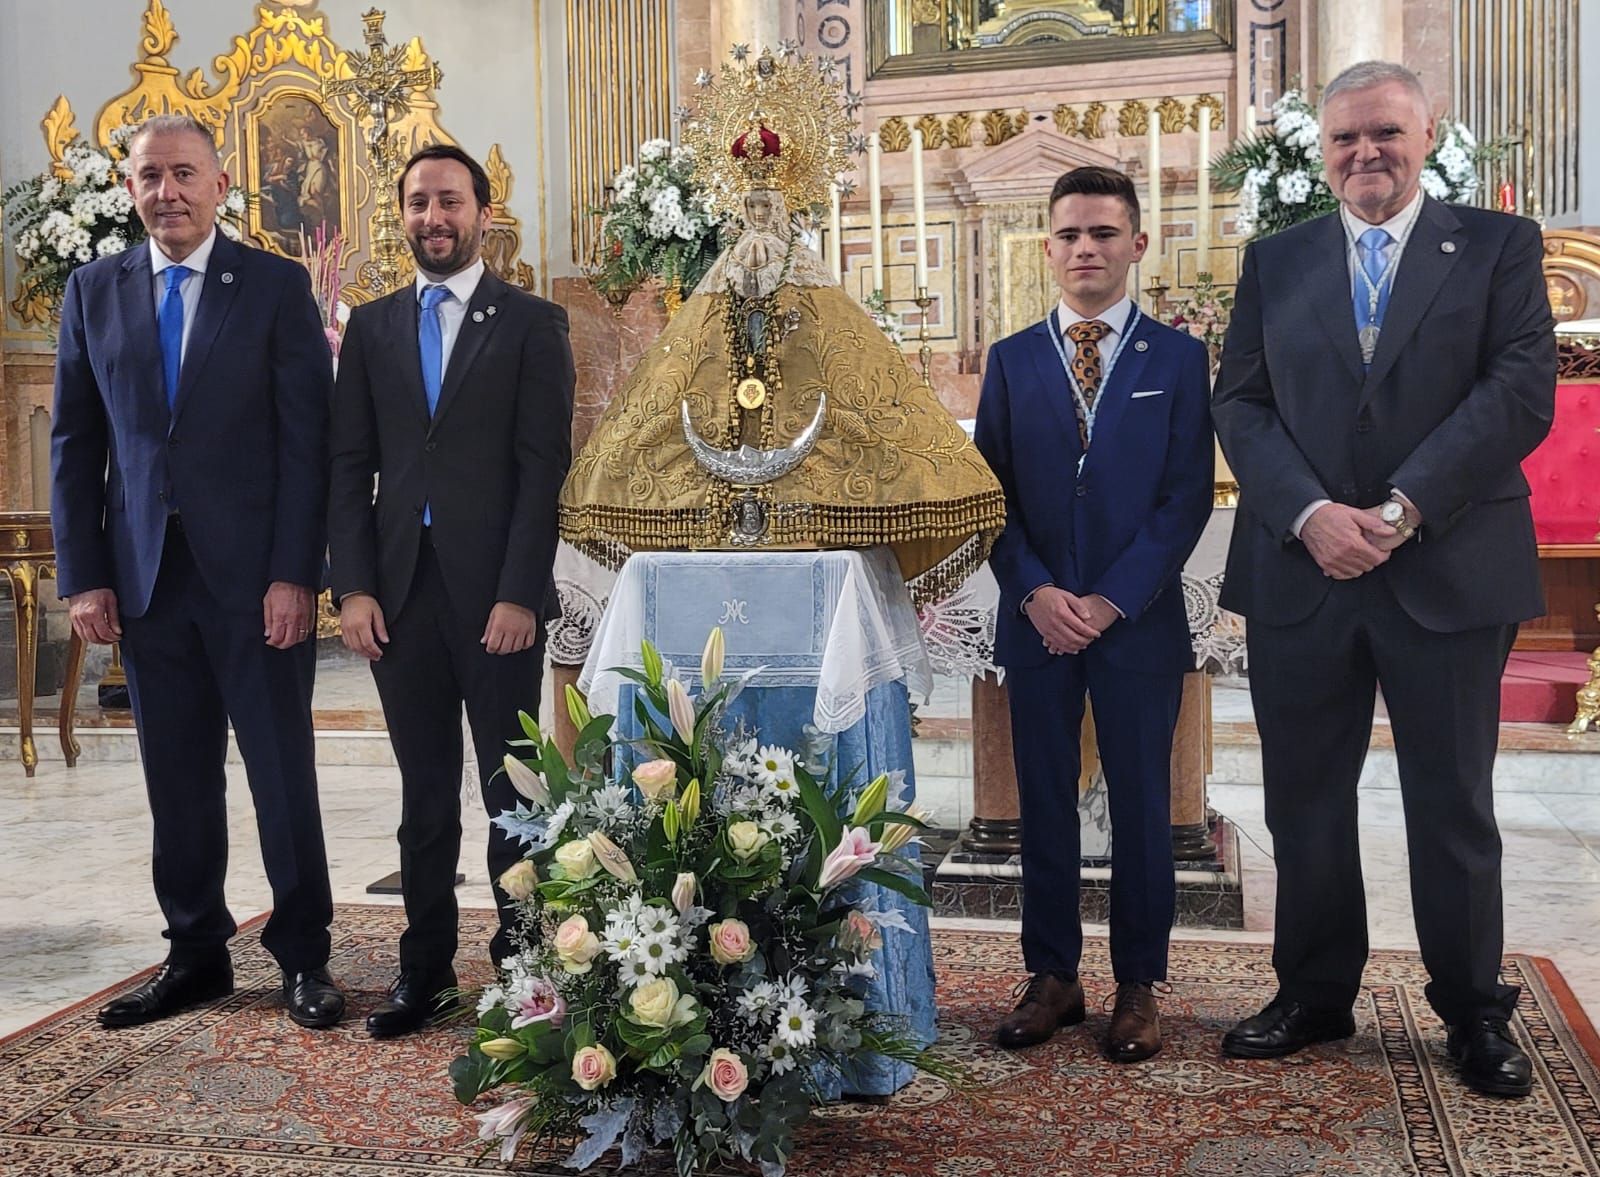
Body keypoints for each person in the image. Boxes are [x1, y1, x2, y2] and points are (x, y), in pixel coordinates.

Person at [1213, 61, 1556, 1098]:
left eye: (1385, 133)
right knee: (1303, 796)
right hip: (1302, 569)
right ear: (1320, 152)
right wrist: (1311, 513)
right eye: (1344, 139)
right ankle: (1314, 992)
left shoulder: (1497, 245)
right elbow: (1239, 401)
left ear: (1426, 132)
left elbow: (1518, 391)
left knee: (1449, 799)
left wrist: (1401, 509)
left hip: (1446, 564)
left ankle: (1469, 1010)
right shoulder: (1275, 260)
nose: (1365, 153)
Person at [50, 113, 342, 1030]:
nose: (166, 192)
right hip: (146, 580)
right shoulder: (93, 289)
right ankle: (195, 952)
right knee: (174, 776)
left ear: (221, 186)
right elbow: (74, 443)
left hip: (257, 582)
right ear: (127, 188)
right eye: (149, 177)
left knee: (280, 773)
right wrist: (85, 575)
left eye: (183, 175)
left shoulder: (272, 285)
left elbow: (309, 444)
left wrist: (297, 572)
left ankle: (304, 956)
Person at [327, 143, 575, 1038]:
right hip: (399, 597)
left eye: (450, 202)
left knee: (512, 793)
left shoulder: (531, 323)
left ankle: (525, 969)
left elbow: (542, 468)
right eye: (418, 202)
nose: (433, 217)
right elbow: (349, 467)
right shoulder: (374, 325)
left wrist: (519, 592)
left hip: (494, 603)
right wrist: (352, 588)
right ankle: (424, 970)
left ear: (482, 211)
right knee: (423, 793)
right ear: (402, 214)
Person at [974, 165, 1213, 1061]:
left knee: (1143, 804)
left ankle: (1139, 985)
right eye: (1070, 234)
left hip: (1136, 623)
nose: (1086, 249)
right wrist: (1035, 591)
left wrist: (1110, 600)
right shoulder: (1012, 358)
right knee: (1044, 800)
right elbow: (987, 496)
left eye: (1105, 233)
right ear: (1047, 247)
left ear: (1138, 243)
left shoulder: (1179, 360)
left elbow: (1185, 499)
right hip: (1037, 620)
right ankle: (1054, 975)